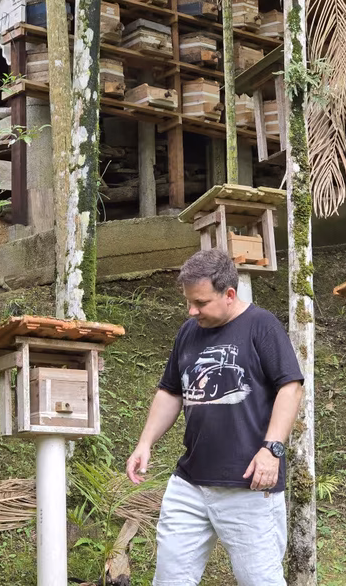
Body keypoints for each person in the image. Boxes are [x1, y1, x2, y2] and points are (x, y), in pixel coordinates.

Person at [126, 249, 305, 586]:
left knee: (260, 581)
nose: (192, 311)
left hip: (249, 485)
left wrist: (272, 450)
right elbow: (170, 392)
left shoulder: (261, 325)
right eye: (188, 302)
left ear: (229, 294)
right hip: (189, 484)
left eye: (201, 303)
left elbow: (290, 387)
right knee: (169, 580)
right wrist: (145, 443)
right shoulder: (188, 332)